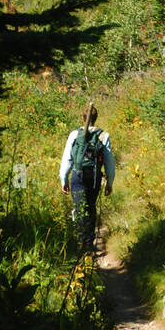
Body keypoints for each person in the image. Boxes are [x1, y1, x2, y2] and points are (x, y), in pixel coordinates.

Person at [60, 104, 115, 250]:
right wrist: (109, 183)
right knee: (90, 208)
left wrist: (63, 179)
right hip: (95, 179)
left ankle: (81, 242)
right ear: (96, 119)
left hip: (78, 178)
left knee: (79, 208)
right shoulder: (103, 136)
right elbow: (109, 162)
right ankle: (89, 244)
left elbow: (67, 159)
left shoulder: (74, 134)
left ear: (82, 118)